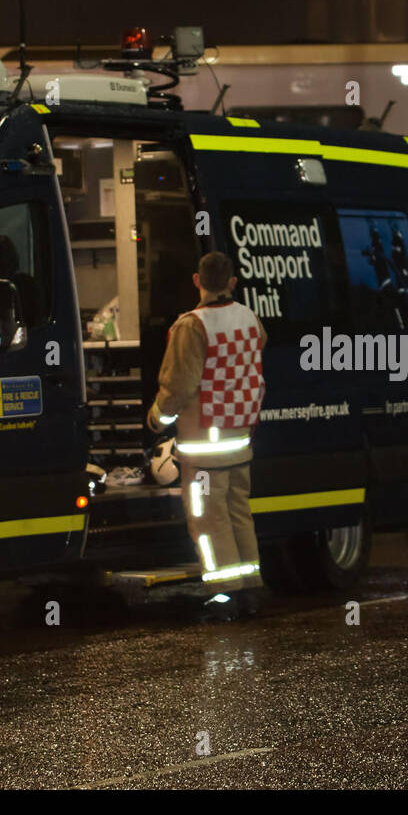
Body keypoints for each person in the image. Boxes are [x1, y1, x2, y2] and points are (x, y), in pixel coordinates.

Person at [147, 252, 266, 591]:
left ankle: (226, 594)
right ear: (232, 283)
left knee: (209, 521)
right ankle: (251, 584)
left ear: (197, 281)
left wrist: (157, 419)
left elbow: (179, 386)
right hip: (239, 443)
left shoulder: (191, 325)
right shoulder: (251, 319)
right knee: (239, 514)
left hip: (204, 451)